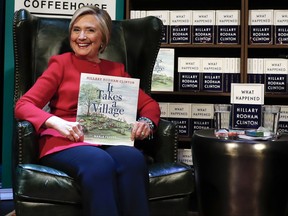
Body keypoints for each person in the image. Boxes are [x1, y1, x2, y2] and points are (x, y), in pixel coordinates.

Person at [14, 5, 160, 216]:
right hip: (66, 141)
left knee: (133, 159)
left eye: (90, 30)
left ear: (104, 38)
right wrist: (56, 122)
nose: (81, 36)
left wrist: (146, 122)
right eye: (76, 29)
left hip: (108, 138)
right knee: (99, 162)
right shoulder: (60, 64)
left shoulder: (116, 70)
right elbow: (23, 105)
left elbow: (149, 105)